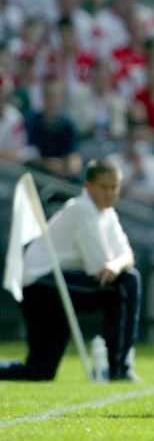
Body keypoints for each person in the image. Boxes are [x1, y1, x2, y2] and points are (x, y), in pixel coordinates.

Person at [0, 158, 141, 381]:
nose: (109, 193)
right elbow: (99, 269)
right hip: (42, 285)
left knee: (39, 372)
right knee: (126, 283)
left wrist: (116, 263)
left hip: (49, 284)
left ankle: (116, 364)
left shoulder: (107, 214)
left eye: (114, 187)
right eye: (103, 187)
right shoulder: (83, 209)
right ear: (88, 186)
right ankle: (117, 368)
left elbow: (125, 256)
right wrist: (114, 264)